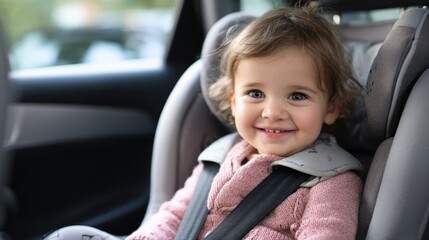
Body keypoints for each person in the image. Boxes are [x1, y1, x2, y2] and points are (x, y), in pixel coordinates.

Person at [43, 5, 363, 240]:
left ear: (331, 107)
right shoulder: (220, 156)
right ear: (233, 100)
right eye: (255, 93)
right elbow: (173, 217)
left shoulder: (330, 183)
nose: (273, 111)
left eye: (297, 96)